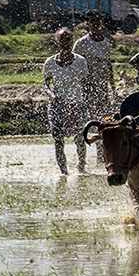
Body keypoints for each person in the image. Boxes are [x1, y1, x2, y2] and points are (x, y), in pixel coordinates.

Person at [43, 28, 89, 176]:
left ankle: (81, 169)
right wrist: (51, 95)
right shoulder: (50, 62)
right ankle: (64, 173)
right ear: (57, 42)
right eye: (62, 40)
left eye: (68, 40)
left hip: (76, 105)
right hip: (57, 106)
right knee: (58, 140)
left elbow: (86, 85)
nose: (65, 43)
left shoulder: (80, 61)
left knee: (80, 139)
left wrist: (85, 104)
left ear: (72, 41)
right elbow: (45, 84)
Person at [72, 12, 114, 161]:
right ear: (88, 24)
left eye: (98, 21)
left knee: (103, 121)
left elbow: (108, 65)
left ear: (101, 23)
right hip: (86, 89)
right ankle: (81, 158)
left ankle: (101, 156)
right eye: (92, 21)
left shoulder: (105, 43)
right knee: (86, 121)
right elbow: (74, 64)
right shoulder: (82, 43)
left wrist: (113, 88)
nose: (95, 24)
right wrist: (81, 85)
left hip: (102, 87)